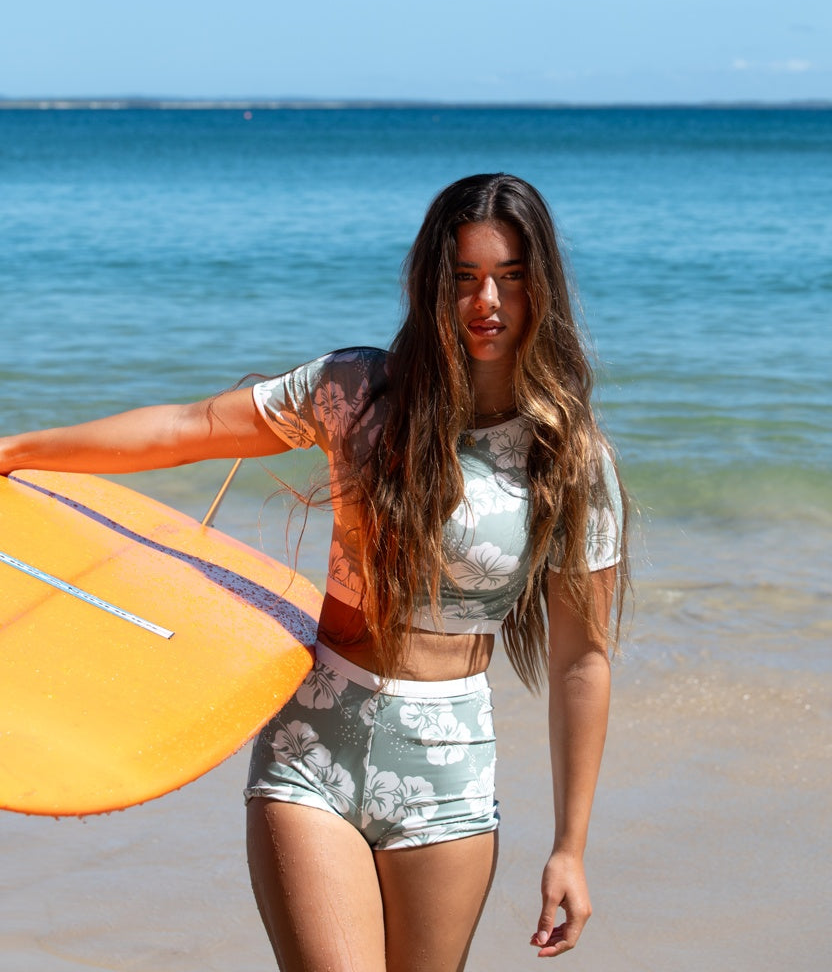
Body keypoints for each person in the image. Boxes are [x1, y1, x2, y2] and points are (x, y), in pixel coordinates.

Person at [0, 173, 628, 971]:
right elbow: (190, 427)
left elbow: (581, 659)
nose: (487, 303)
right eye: (464, 279)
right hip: (311, 749)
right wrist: (16, 450)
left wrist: (570, 848)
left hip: (449, 772)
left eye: (509, 278)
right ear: (433, 286)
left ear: (542, 287)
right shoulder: (358, 393)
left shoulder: (569, 461)